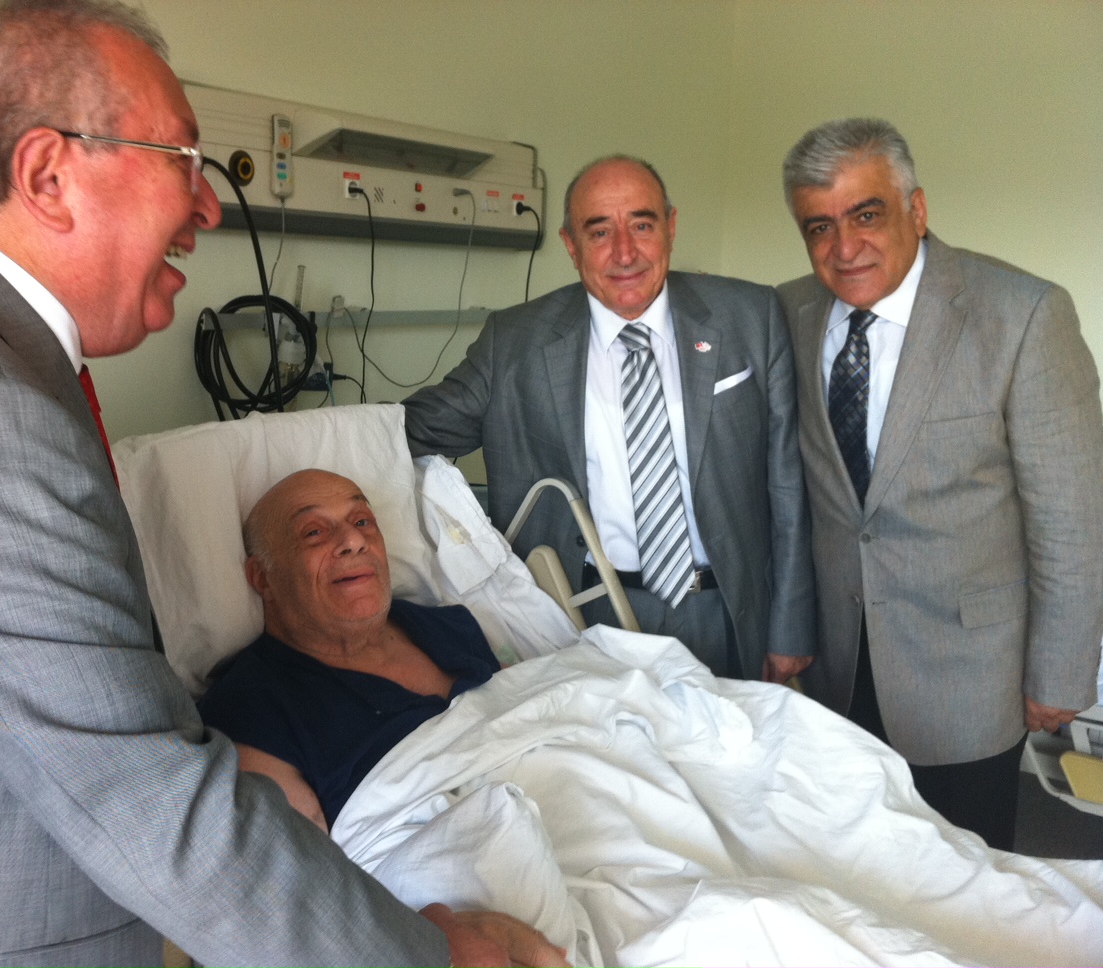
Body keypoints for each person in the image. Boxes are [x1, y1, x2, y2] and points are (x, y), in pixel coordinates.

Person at [0, 3, 565, 966]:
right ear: (47, 176)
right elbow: (152, 806)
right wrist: (430, 956)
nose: (208, 207)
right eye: (182, 161)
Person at [776, 117, 1103, 850]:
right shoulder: (790, 312)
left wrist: (1061, 673)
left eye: (866, 214)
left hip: (969, 677)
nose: (844, 247)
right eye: (819, 226)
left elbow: (1073, 519)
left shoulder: (1023, 315)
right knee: (846, 864)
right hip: (836, 666)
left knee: (965, 875)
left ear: (916, 210)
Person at [404, 155, 816, 683]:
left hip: (729, 612)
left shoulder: (750, 315)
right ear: (570, 245)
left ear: (670, 227)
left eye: (642, 225)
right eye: (599, 232)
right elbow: (411, 432)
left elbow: (787, 482)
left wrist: (790, 627)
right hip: (585, 617)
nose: (625, 252)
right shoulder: (514, 342)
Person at [198, 469, 504, 833]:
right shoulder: (251, 712)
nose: (355, 540)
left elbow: (528, 719)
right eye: (313, 532)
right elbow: (304, 863)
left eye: (362, 521)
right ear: (264, 577)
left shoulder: (450, 627)